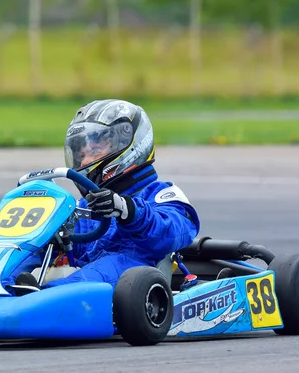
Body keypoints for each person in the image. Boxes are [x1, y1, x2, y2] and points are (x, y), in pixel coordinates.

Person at [13, 99, 200, 290]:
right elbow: (73, 240)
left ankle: (40, 303)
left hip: (135, 276)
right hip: (93, 279)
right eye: (81, 155)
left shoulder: (160, 193)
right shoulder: (86, 206)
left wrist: (127, 210)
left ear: (129, 146)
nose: (84, 161)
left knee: (97, 272)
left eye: (94, 151)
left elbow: (173, 232)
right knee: (25, 254)